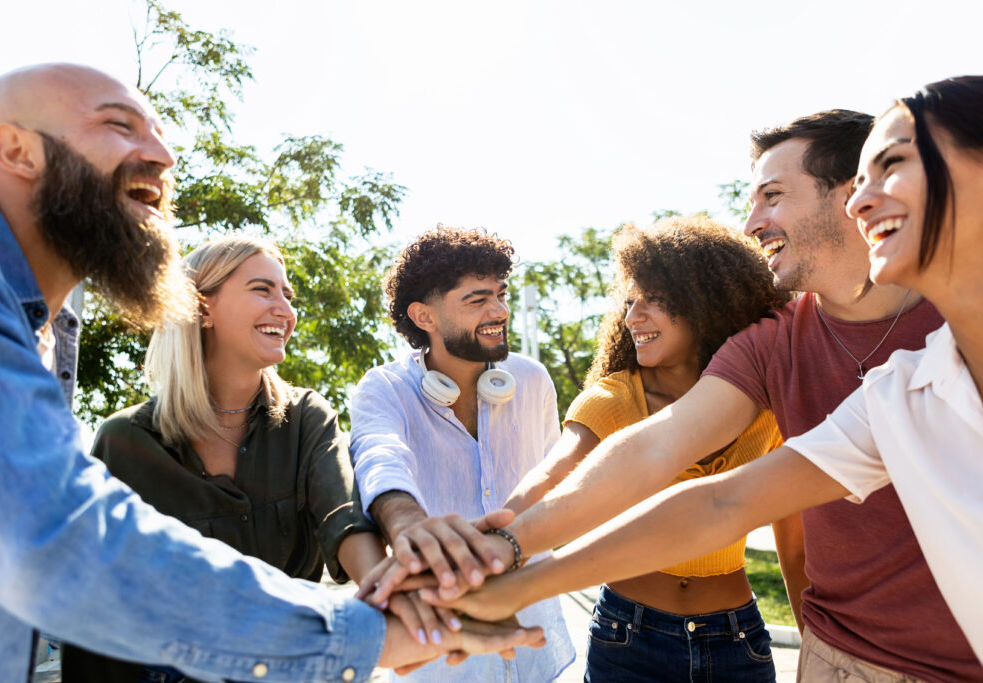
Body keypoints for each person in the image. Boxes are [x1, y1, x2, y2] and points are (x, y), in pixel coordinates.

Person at [0, 63, 544, 683]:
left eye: (159, 133)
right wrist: (374, 635)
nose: (161, 153)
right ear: (15, 150)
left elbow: (341, 513)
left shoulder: (37, 326)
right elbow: (68, 541)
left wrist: (399, 597)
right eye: (118, 125)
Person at [377, 109, 982, 680]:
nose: (751, 225)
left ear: (858, 193)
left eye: (773, 196)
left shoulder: (959, 326)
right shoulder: (771, 346)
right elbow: (677, 471)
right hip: (839, 657)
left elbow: (748, 511)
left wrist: (500, 575)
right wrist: (500, 558)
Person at [61, 235, 386, 682]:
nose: (285, 310)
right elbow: (95, 601)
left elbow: (344, 519)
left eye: (286, 295)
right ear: (202, 307)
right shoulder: (124, 440)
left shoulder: (307, 418)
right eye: (263, 289)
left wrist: (387, 593)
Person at [502, 215, 789, 681]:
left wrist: (815, 640)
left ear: (706, 304)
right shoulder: (614, 397)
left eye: (654, 300)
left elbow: (794, 538)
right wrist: (492, 542)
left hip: (738, 640)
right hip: (630, 638)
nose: (632, 317)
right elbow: (552, 476)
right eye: (630, 302)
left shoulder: (766, 406)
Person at [349, 226, 575, 681]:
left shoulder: (532, 380)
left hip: (538, 645)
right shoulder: (385, 388)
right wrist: (406, 520)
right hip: (442, 663)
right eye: (477, 300)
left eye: (501, 294)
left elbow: (558, 481)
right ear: (424, 316)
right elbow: (379, 455)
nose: (500, 311)